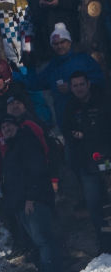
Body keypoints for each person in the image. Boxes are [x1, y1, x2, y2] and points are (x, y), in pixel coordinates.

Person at [0, 116, 62, 272]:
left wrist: (31, 198)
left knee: (44, 239)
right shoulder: (11, 148)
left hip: (35, 200)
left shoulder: (26, 142)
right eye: (3, 127)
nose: (6, 129)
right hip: (21, 203)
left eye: (9, 125)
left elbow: (37, 171)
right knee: (38, 241)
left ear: (18, 126)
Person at [61, 70, 111, 246]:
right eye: (75, 85)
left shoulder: (103, 101)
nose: (79, 88)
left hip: (107, 159)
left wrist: (87, 134)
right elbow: (67, 131)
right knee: (93, 204)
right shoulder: (70, 107)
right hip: (85, 163)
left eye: (82, 84)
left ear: (88, 84)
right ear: (71, 87)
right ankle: (104, 243)